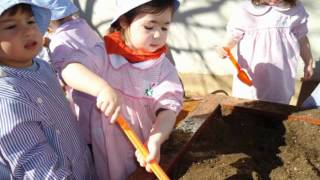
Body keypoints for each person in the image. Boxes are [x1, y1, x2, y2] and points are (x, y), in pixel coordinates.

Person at [52, 0, 183, 179]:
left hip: (144, 144)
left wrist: (156, 139)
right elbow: (69, 69)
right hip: (103, 149)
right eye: (149, 27)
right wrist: (102, 88)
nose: (158, 35)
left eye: (165, 27)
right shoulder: (102, 54)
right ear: (124, 21)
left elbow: (168, 108)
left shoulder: (162, 68)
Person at [0, 1, 95, 179]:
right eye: (12, 26)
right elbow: (35, 166)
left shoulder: (42, 66)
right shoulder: (7, 97)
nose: (28, 31)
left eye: (30, 21)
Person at [45, 0, 121, 146]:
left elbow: (65, 71)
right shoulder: (83, 26)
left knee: (94, 138)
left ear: (47, 27)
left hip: (87, 98)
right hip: (109, 85)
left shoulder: (58, 42)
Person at [215, 0, 314, 104]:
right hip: (251, 74)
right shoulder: (245, 10)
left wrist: (308, 62)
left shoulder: (295, 9)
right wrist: (224, 47)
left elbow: (301, 37)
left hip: (281, 76)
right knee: (246, 105)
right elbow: (233, 34)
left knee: (277, 107)